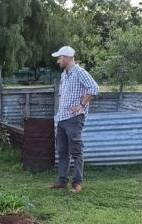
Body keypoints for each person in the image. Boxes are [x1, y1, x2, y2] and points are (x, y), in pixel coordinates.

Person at [51, 46, 99, 192]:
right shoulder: (64, 75)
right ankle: (62, 181)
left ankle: (77, 183)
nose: (58, 61)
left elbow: (94, 89)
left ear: (67, 58)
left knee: (76, 151)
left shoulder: (80, 72)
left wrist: (81, 105)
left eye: (60, 58)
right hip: (62, 118)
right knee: (62, 150)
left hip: (74, 118)